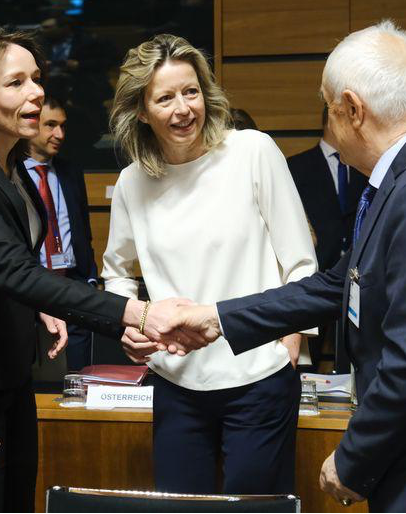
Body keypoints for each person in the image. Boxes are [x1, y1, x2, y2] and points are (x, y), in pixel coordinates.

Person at [161, 21, 406, 512]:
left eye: (329, 110)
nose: (329, 130)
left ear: (353, 109)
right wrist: (215, 318)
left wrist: (353, 456)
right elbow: (336, 286)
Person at [0, 27, 193, 513]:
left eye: (37, 79)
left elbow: (11, 271)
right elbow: (17, 273)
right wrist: (139, 314)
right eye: (16, 82)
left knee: (21, 495)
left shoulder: (13, 165)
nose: (36, 92)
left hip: (11, 368)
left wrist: (38, 308)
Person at [103, 34, 318, 496]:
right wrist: (132, 323)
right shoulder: (131, 182)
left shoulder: (252, 152)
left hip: (259, 376)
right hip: (175, 382)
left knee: (257, 508)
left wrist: (290, 342)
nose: (183, 109)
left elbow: (300, 262)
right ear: (141, 110)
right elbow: (117, 272)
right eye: (165, 98)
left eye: (191, 91)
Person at [25, 95, 99, 371]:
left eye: (63, 126)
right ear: (32, 126)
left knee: (79, 374)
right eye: (51, 125)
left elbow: (82, 228)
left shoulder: (69, 171)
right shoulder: (11, 174)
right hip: (31, 283)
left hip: (71, 280)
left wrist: (90, 276)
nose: (59, 134)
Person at [287, 106, 367, 272]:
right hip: (316, 273)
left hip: (360, 275)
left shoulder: (365, 167)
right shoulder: (296, 167)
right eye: (350, 120)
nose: (357, 126)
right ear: (333, 121)